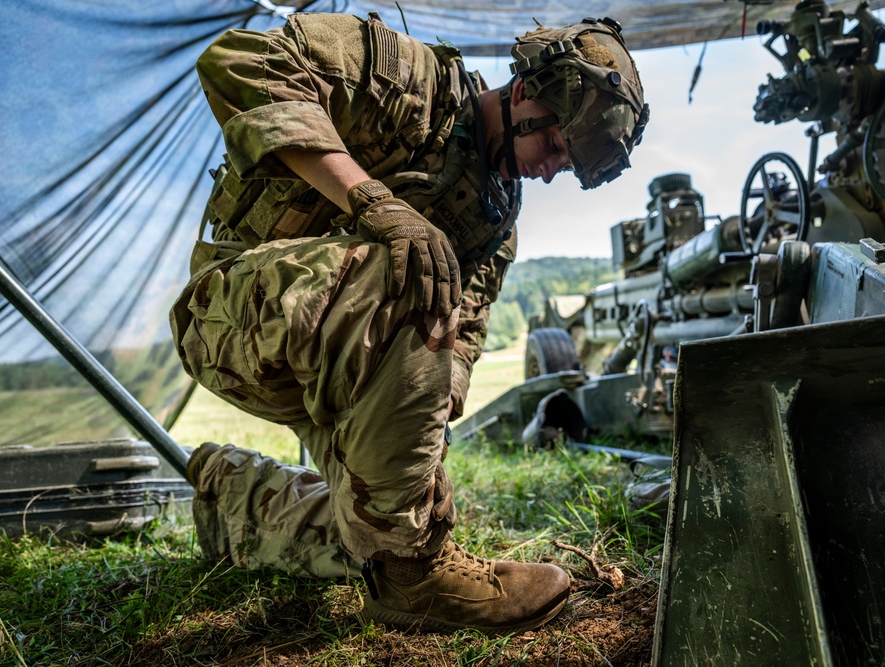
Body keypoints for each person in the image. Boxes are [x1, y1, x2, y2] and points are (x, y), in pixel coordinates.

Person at [169, 11, 648, 636]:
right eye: (556, 146)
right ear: (527, 92)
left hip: (347, 356)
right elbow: (238, 62)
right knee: (416, 268)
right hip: (236, 318)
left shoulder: (494, 217)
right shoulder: (409, 83)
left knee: (384, 524)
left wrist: (430, 408)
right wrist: (372, 201)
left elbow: (468, 326)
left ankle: (232, 502)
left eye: (569, 165)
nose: (553, 169)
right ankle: (415, 577)